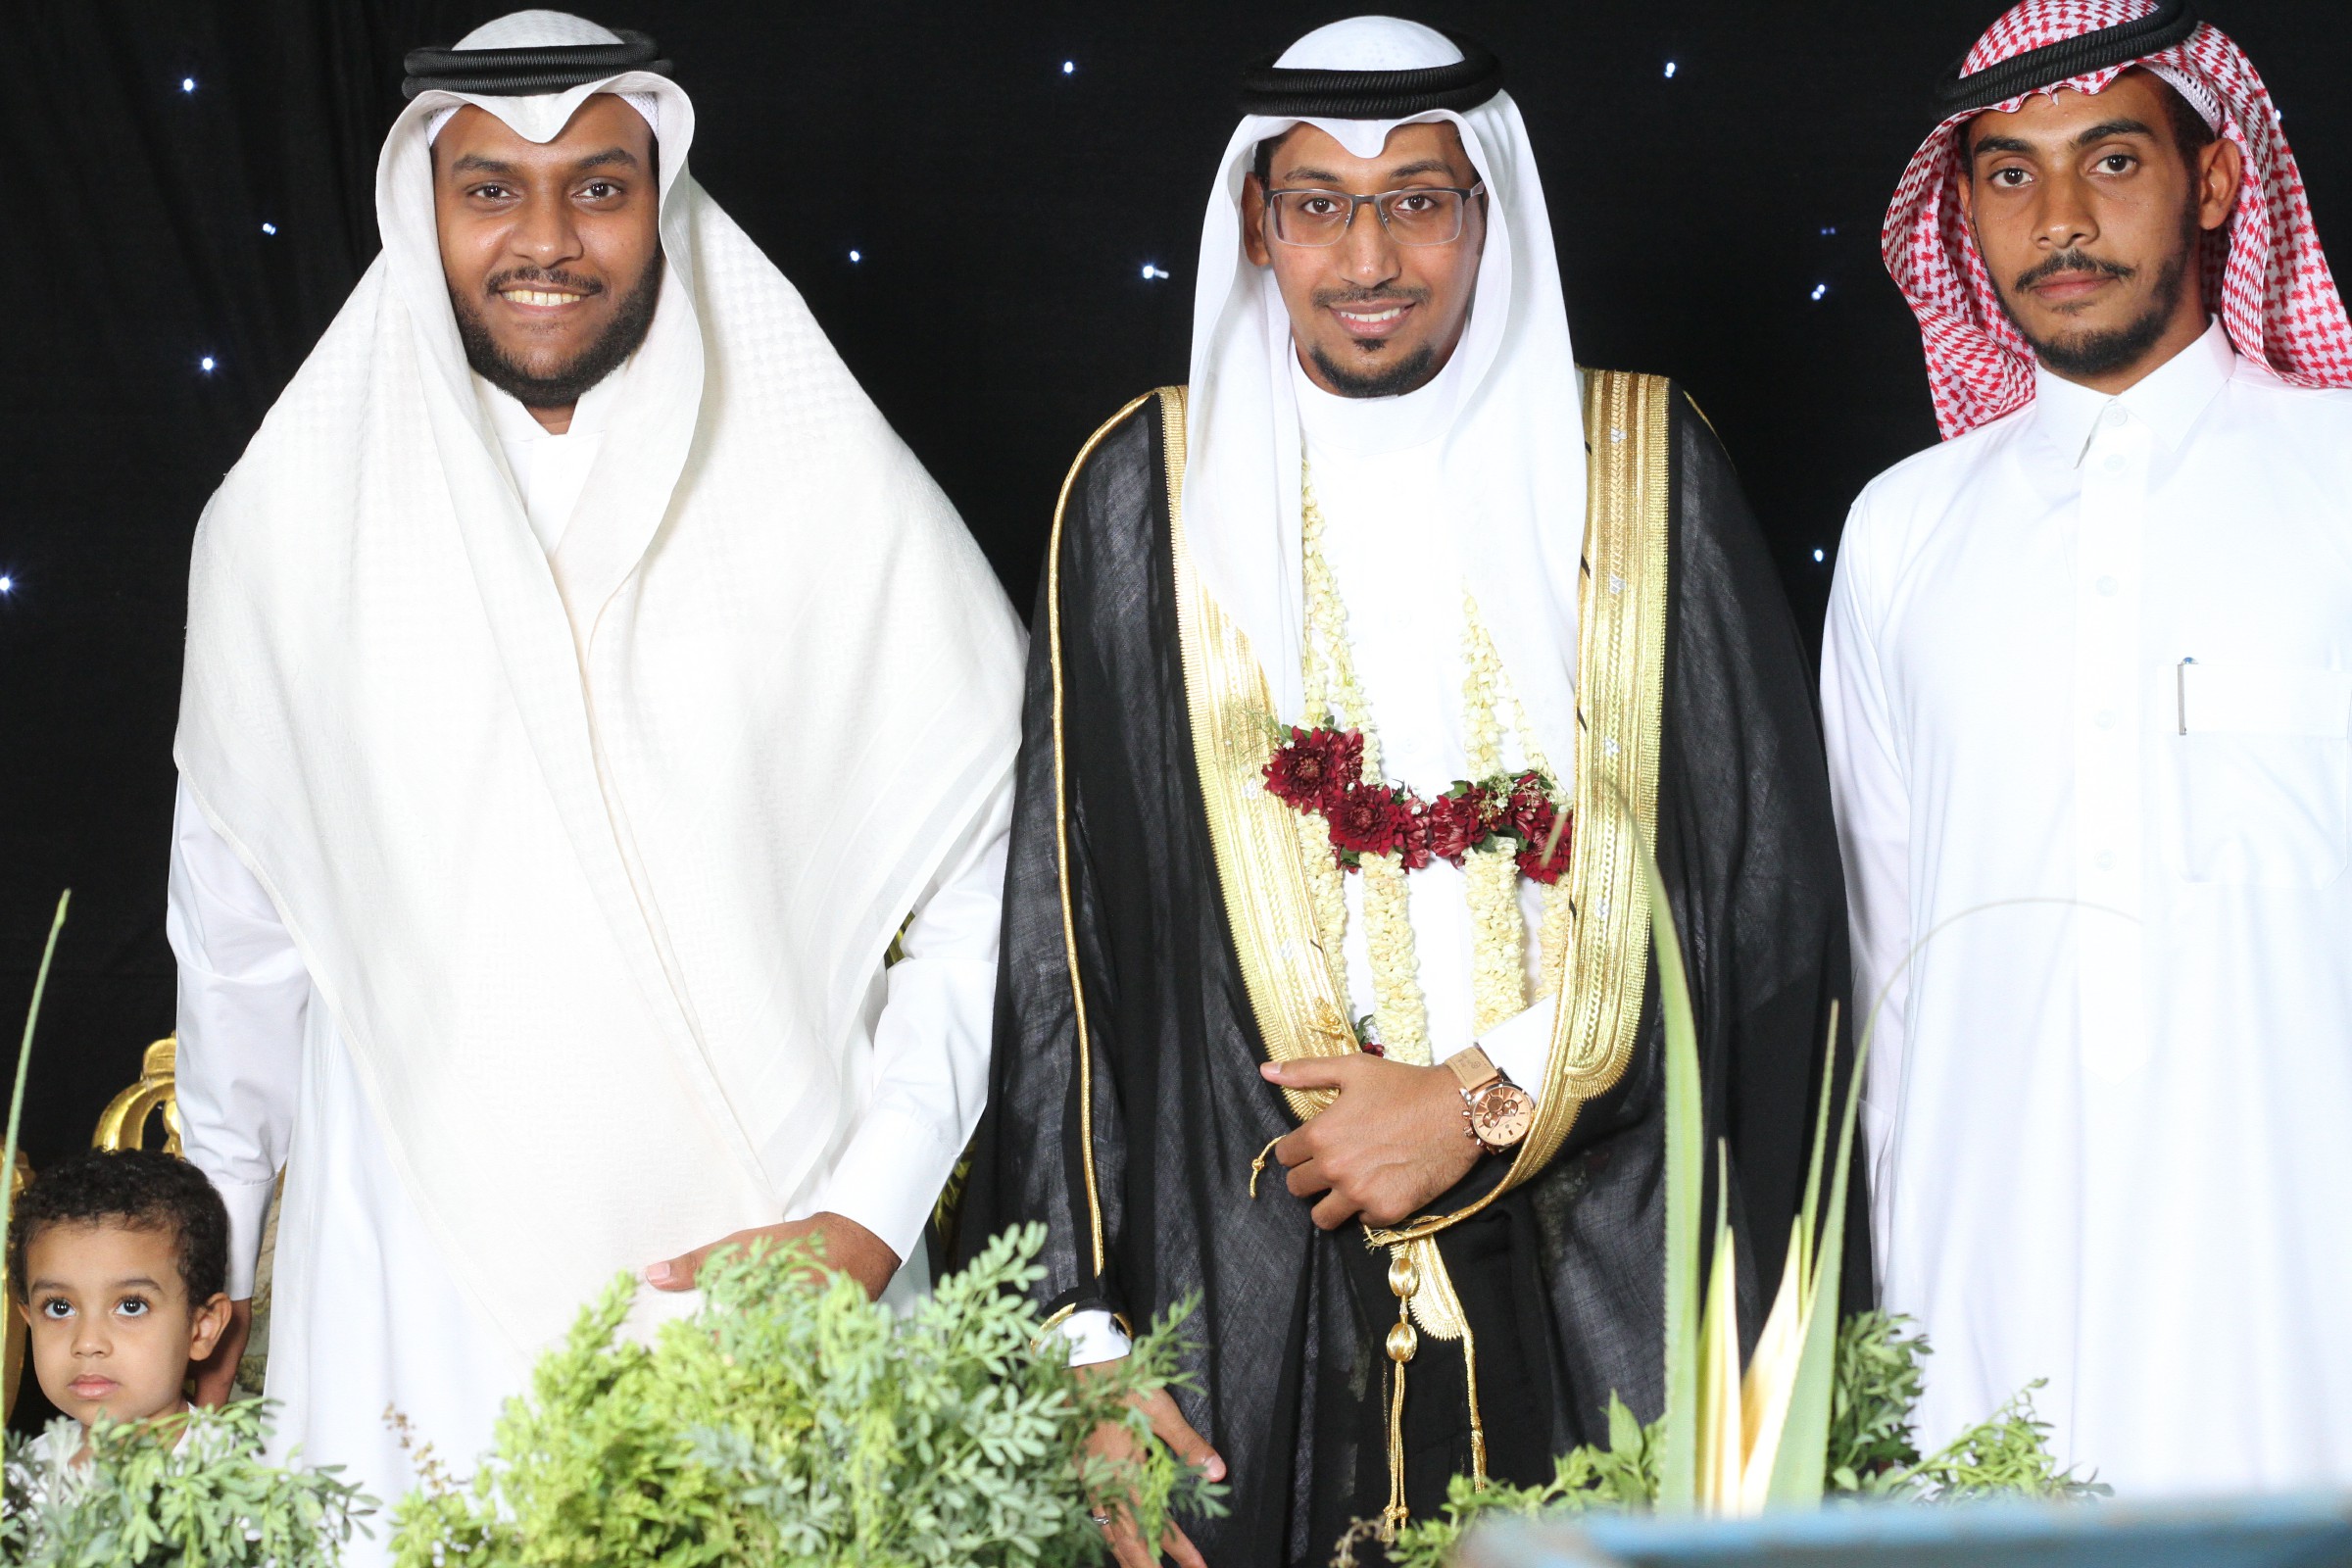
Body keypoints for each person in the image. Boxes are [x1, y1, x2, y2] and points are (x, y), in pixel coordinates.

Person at [958, 19, 1856, 1564]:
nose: (1369, 258)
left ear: (1486, 212)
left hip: (1603, 1271)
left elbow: (1762, 903)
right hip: (1251, 1294)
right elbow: (1064, 962)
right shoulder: (1138, 498)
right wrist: (1079, 1343)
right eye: (1320, 204)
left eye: (1418, 201)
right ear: (1258, 225)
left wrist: (1478, 1098)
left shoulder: (1643, 468)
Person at [168, 11, 1022, 1542]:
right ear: (423, 208)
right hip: (406, 1295)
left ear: (661, 200)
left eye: (600, 188)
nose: (547, 239)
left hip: (766, 1267)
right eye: (492, 189)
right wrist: (208, 1291)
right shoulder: (286, 529)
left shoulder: (829, 496)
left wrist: (870, 1215)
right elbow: (238, 960)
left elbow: (988, 901)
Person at [1825, 0, 2352, 1494]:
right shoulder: (1902, 531)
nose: (2058, 218)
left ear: (2218, 180)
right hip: (1989, 1306)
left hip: (2305, 1302)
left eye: (2112, 160)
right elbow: (1884, 975)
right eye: (2010, 173)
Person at [10, 1151, 233, 1453]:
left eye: (131, 1306)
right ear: (30, 1321)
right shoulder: (22, 1472)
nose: (87, 1343)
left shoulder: (242, 1475)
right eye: (59, 1307)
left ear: (202, 1328)